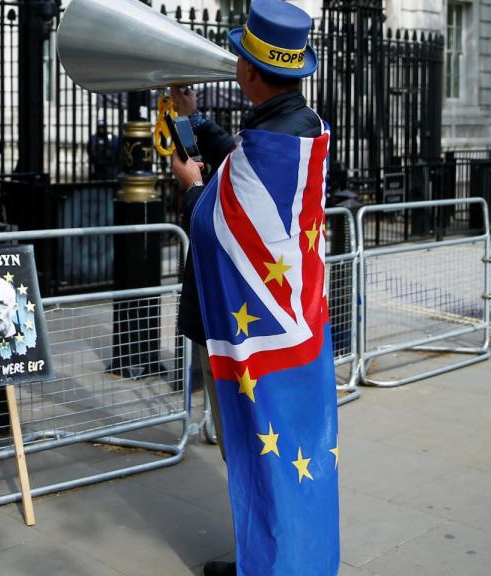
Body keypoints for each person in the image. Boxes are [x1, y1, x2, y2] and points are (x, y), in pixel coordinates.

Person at [169, 1, 339, 575]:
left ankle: (265, 566)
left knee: (253, 447)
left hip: (256, 341)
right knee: (299, 453)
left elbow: (222, 228)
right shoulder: (304, 129)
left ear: (247, 71)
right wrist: (194, 122)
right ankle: (296, 557)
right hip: (300, 327)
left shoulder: (268, 144)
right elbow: (247, 173)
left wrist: (193, 188)